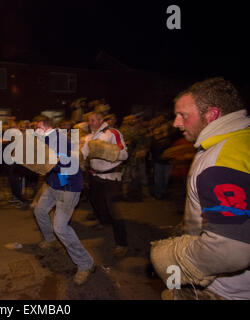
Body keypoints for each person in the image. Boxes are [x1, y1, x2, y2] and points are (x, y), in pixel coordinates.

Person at [150, 77, 250, 300]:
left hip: (226, 290)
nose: (175, 123)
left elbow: (231, 249)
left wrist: (176, 259)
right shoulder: (239, 142)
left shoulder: (222, 159)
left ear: (211, 115)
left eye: (183, 115)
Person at [32, 115, 95, 285]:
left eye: (37, 127)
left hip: (68, 187)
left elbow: (63, 164)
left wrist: (38, 161)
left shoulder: (60, 140)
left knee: (60, 227)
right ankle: (49, 239)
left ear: (44, 126)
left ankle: (85, 264)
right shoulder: (46, 140)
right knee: (39, 210)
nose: (35, 130)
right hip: (54, 185)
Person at [81, 111, 129, 258]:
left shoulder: (112, 133)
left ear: (101, 120)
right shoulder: (89, 137)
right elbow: (82, 153)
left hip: (110, 177)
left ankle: (122, 244)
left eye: (94, 120)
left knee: (114, 210)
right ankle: (104, 222)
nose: (91, 122)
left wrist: (107, 150)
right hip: (95, 176)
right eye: (89, 120)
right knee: (96, 203)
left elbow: (125, 154)